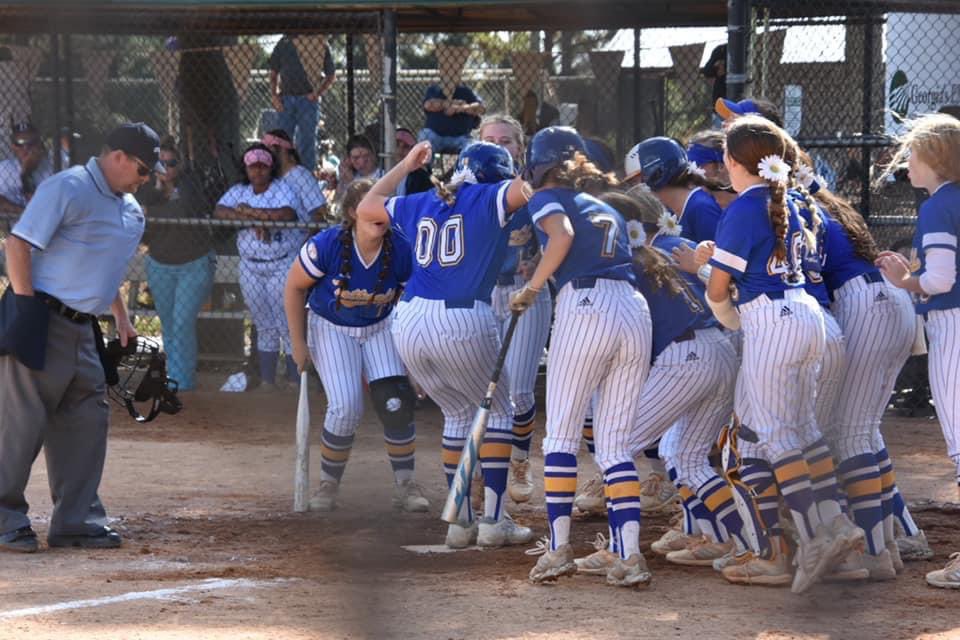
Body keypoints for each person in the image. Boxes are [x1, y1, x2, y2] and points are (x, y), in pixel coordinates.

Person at [701, 115, 863, 593]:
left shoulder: (746, 206)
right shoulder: (792, 198)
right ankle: (834, 524)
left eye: (725, 158)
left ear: (732, 161)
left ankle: (814, 537)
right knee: (805, 430)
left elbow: (717, 289)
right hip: (811, 315)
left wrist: (733, 322)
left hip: (772, 320)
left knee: (774, 434)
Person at [356, 140, 531, 549]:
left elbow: (367, 206)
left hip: (410, 319)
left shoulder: (423, 199)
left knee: (455, 413)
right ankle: (494, 520)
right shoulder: (489, 193)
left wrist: (404, 165)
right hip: (462, 315)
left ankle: (459, 522)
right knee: (501, 412)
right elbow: (528, 188)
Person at [570, 190, 748, 577]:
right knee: (687, 457)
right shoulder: (670, 247)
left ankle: (621, 552)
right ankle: (749, 542)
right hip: (718, 351)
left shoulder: (625, 262)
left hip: (684, 359)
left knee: (616, 450)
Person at [0, 122, 159, 553]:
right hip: (42, 315)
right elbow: (17, 245)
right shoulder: (67, 187)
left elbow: (103, 270)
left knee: (87, 421)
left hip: (84, 328)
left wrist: (122, 319)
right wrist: (27, 308)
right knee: (21, 423)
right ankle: (4, 518)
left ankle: (76, 521)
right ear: (118, 156)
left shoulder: (131, 212)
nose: (145, 179)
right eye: (142, 169)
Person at [515, 127, 652, 589]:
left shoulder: (548, 197)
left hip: (587, 308)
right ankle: (630, 556)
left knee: (560, 439)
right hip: (634, 309)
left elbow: (562, 235)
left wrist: (531, 290)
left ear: (539, 165)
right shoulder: (605, 203)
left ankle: (557, 551)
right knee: (615, 446)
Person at [284, 179, 429, 513]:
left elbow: (412, 302)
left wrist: (415, 360)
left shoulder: (401, 249)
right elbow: (293, 287)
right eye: (371, 205)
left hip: (381, 326)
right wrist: (298, 342)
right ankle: (328, 485)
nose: (381, 212)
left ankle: (405, 484)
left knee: (395, 400)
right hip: (331, 327)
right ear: (353, 212)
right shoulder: (327, 245)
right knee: (346, 407)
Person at [874, 113, 960, 590]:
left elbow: (941, 280)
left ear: (935, 159)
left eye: (913, 153)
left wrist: (905, 281)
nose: (907, 161)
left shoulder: (938, 206)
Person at [478, 113, 552, 504]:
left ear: (520, 149)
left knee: (519, 392)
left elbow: (561, 237)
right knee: (481, 389)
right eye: (489, 139)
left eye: (505, 140)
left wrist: (540, 260)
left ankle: (520, 460)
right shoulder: (467, 191)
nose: (497, 146)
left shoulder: (535, 191)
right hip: (482, 296)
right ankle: (482, 470)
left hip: (527, 293)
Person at [213, 143, 298, 391]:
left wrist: (251, 211)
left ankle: (295, 380)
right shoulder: (240, 190)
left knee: (286, 322)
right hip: (251, 266)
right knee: (264, 324)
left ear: (271, 167)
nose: (258, 172)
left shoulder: (282, 188)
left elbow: (287, 214)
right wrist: (255, 218)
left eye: (263, 166)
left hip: (280, 263)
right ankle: (267, 381)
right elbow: (220, 211)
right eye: (253, 167)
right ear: (246, 168)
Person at [136, 136, 216, 392]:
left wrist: (160, 203)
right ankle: (175, 376)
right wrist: (158, 193)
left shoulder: (191, 185)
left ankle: (183, 383)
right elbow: (144, 231)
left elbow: (189, 211)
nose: (166, 169)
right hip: (160, 264)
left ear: (180, 165)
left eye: (171, 163)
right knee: (169, 324)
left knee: (182, 321)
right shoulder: (147, 189)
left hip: (193, 264)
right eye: (160, 164)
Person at [269, 34, 336, 173]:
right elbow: (273, 72)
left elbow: (331, 75)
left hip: (307, 99)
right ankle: (282, 173)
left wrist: (317, 93)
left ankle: (307, 174)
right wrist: (274, 96)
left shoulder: (319, 42)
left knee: (307, 139)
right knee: (282, 139)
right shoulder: (284, 42)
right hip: (285, 98)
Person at [262, 128, 328, 226]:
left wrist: (307, 241)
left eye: (269, 148)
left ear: (283, 149)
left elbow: (319, 212)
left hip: (299, 236)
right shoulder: (271, 177)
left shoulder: (300, 175)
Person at [0, 121, 54, 215]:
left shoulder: (53, 167)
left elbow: (42, 209)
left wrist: (26, 174)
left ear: (39, 144)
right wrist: (23, 213)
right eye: (20, 143)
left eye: (31, 142)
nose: (26, 148)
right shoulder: (4, 168)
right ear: (13, 147)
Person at [418, 82, 485, 153]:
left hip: (461, 137)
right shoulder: (435, 89)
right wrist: (450, 103)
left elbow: (481, 109)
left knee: (472, 146)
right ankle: (425, 164)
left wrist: (459, 108)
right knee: (425, 137)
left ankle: (462, 164)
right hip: (436, 135)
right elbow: (428, 105)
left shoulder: (466, 91)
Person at [334, 135, 383, 204]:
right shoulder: (350, 175)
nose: (362, 162)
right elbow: (337, 202)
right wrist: (342, 181)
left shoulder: (382, 175)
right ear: (349, 159)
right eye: (356, 158)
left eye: (366, 156)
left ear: (373, 155)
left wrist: (352, 182)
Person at [394, 127, 432, 196]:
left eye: (405, 146)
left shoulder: (420, 178)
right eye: (396, 144)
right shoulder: (381, 171)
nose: (400, 150)